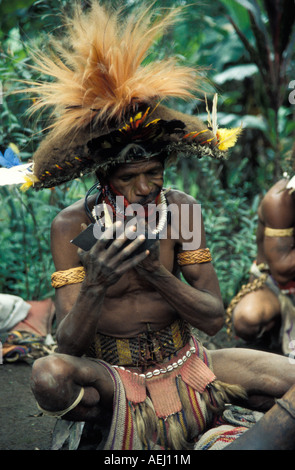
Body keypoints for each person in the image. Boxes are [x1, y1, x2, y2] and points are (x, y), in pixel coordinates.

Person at [14, 1, 295, 450]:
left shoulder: (180, 210)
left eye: (155, 175)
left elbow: (212, 316)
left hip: (190, 361)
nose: (145, 188)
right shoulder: (74, 225)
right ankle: (119, 420)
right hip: (113, 376)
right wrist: (97, 285)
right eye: (129, 178)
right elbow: (65, 344)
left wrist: (154, 273)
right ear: (103, 178)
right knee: (49, 377)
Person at [226, 170, 295, 356]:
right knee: (248, 318)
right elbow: (282, 270)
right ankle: (268, 340)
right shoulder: (280, 200)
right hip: (278, 285)